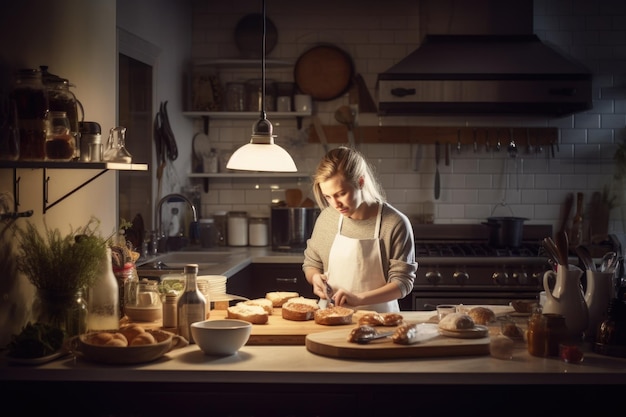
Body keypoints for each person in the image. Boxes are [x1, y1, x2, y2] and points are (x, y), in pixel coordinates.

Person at [302, 146, 417, 312]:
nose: (335, 204)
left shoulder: (394, 223)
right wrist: (315, 278)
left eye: (341, 193)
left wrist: (359, 299)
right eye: (328, 197)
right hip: (331, 317)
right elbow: (312, 263)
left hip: (379, 321)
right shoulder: (327, 218)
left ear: (361, 182)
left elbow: (402, 283)